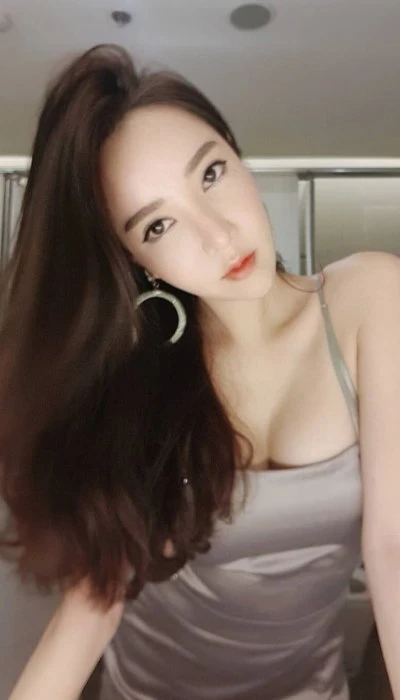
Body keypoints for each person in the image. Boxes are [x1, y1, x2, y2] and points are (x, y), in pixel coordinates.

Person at [2, 43, 400, 700]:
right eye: (158, 225)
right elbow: (91, 606)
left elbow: (392, 549)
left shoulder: (369, 299)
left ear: (237, 155)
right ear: (137, 261)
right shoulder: (139, 379)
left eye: (211, 174)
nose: (218, 236)